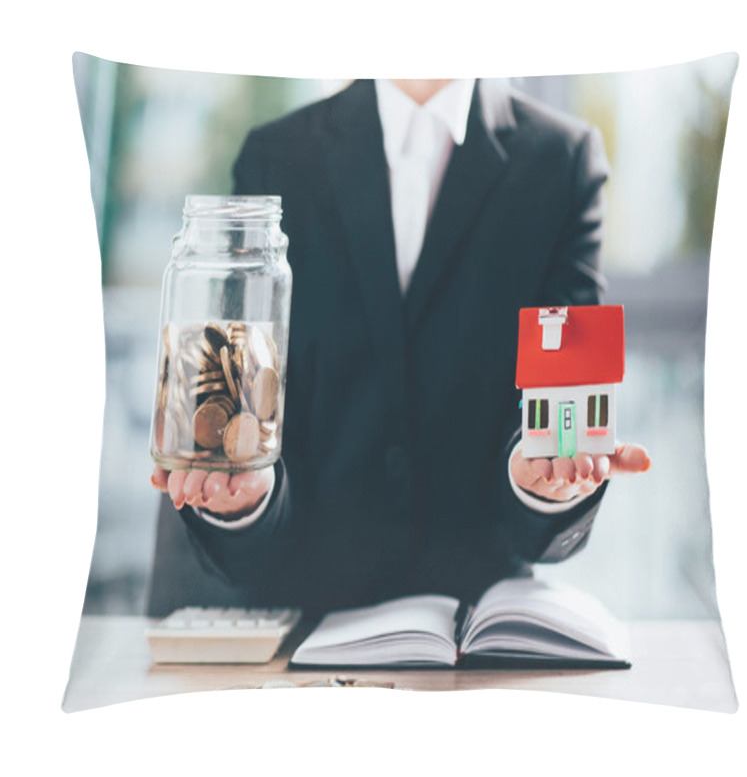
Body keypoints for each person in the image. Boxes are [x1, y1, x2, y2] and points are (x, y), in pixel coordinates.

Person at [149, 78, 649, 616]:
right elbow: (248, 401)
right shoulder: (276, 157)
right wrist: (247, 500)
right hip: (305, 621)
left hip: (479, 630)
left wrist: (543, 485)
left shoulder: (562, 161)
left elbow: (562, 390)